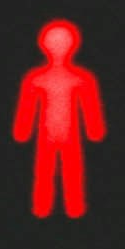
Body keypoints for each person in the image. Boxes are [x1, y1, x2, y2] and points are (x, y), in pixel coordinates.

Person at [13, 17, 105, 219]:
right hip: (46, 134)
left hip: (71, 133)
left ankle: (74, 209)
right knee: (44, 171)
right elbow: (27, 108)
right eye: (54, 43)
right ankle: (42, 209)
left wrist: (94, 130)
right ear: (44, 46)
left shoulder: (81, 78)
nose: (58, 48)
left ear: (72, 46)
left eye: (62, 43)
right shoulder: (36, 78)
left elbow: (90, 107)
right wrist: (23, 130)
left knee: (72, 171)